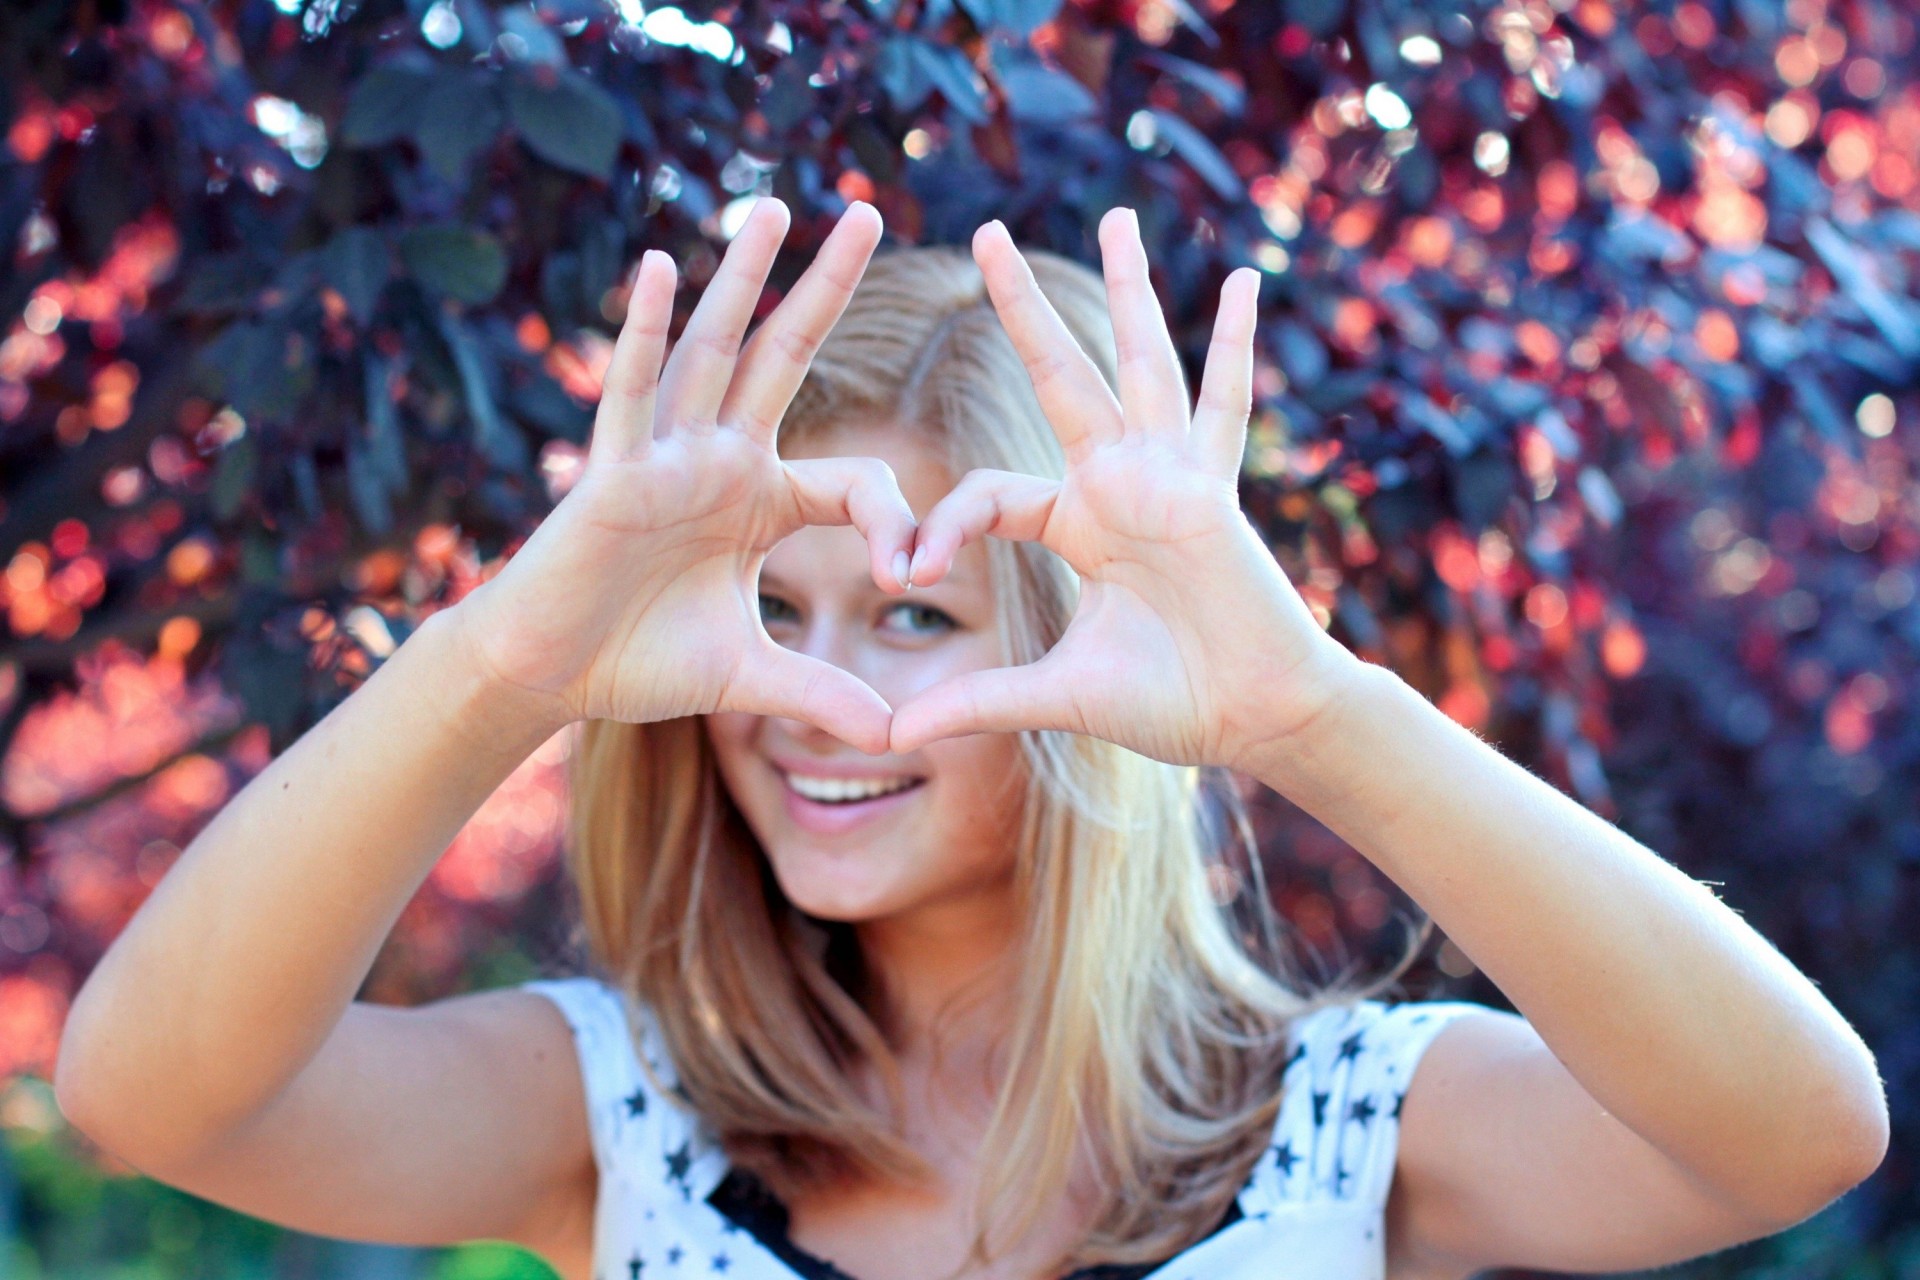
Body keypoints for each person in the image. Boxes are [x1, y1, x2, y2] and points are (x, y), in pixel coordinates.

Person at [52, 197, 1888, 1280]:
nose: (815, 702)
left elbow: (1797, 1136)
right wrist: (506, 665)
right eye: (773, 615)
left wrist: (1311, 715)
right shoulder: (612, 1108)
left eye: (917, 615)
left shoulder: (1361, 1122)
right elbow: (144, 1103)